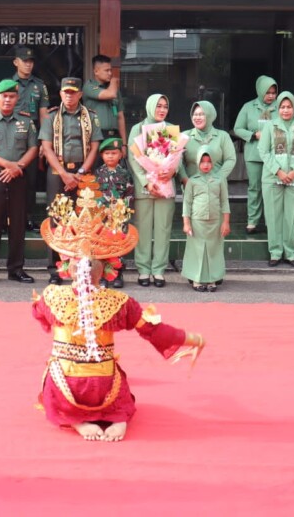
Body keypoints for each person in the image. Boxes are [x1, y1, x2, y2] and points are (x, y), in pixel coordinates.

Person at [34, 185, 205, 441]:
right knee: (116, 382)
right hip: (105, 386)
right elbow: (154, 331)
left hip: (67, 382)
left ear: (67, 268)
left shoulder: (50, 297)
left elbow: (40, 317)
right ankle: (116, 417)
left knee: (51, 378)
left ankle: (77, 420)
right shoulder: (120, 302)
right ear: (105, 270)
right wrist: (190, 338)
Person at [0, 78, 39, 286]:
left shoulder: (27, 121)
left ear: (17, 98)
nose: (8, 100)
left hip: (19, 176)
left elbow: (33, 149)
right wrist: (7, 165)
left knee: (18, 223)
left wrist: (17, 167)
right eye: (4, 96)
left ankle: (16, 269)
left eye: (12, 96)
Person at [40, 77, 103, 284]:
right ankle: (55, 269)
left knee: (84, 220)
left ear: (80, 94)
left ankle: (82, 267)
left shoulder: (90, 117)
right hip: (58, 172)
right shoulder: (51, 117)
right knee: (57, 220)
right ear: (60, 94)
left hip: (82, 172)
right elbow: (47, 148)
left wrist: (81, 171)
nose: (69, 96)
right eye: (66, 92)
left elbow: (95, 146)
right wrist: (64, 174)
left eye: (73, 92)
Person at [258, 91, 294, 267]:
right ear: (278, 108)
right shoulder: (270, 126)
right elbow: (263, 151)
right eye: (282, 106)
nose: (285, 110)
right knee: (273, 216)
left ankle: (290, 252)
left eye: (289, 107)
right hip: (272, 177)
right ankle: (275, 252)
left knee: (292, 216)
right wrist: (279, 171)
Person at [127, 94, 177, 288]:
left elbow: (176, 156)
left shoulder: (169, 129)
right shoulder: (137, 129)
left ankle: (159, 270)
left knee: (163, 230)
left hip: (165, 186)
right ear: (149, 107)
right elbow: (134, 158)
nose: (162, 110)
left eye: (165, 106)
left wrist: (171, 171)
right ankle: (143, 270)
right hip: (144, 188)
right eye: (158, 106)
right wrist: (146, 182)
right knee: (143, 230)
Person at [233, 75, 278, 234]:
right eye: (268, 92)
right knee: (255, 188)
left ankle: (271, 221)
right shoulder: (248, 107)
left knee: (273, 188)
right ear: (260, 91)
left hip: (275, 156)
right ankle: (252, 221)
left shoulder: (281, 106)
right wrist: (253, 135)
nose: (271, 96)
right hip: (254, 154)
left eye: (273, 92)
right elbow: (237, 128)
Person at [12, 47, 50, 231]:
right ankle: (8, 219)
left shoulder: (39, 85)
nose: (28, 64)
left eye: (31, 61)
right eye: (24, 60)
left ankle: (27, 218)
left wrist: (44, 140)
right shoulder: (8, 84)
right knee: (9, 178)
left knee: (31, 180)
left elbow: (44, 114)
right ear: (15, 62)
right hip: (10, 134)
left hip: (32, 134)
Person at [182, 149, 230, 291]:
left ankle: (212, 280)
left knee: (213, 250)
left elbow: (224, 201)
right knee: (197, 251)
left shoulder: (219, 180)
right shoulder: (192, 181)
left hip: (215, 221)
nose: (206, 165)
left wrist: (226, 222)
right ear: (197, 163)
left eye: (209, 162)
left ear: (213, 163)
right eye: (202, 161)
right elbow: (187, 203)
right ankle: (197, 280)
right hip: (197, 222)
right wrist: (186, 223)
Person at [93, 137, 134, 288]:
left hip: (119, 216)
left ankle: (117, 274)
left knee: (118, 245)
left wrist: (125, 213)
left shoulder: (124, 174)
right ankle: (102, 275)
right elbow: (94, 194)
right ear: (102, 155)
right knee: (102, 244)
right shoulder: (97, 173)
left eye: (114, 153)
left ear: (120, 155)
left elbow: (129, 193)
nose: (110, 156)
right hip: (102, 216)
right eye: (107, 153)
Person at [179, 100, 236, 185]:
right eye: (195, 114)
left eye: (202, 114)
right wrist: (184, 179)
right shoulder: (184, 136)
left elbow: (230, 159)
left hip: (216, 188)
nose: (197, 117)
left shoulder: (223, 136)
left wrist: (218, 178)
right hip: (191, 187)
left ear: (210, 116)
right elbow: (177, 161)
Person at [82, 54, 127, 150]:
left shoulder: (114, 90)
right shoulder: (89, 86)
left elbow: (120, 117)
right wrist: (114, 81)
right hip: (96, 137)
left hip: (114, 136)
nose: (110, 73)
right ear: (96, 71)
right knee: (96, 165)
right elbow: (110, 94)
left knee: (113, 165)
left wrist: (124, 144)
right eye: (107, 70)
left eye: (111, 70)